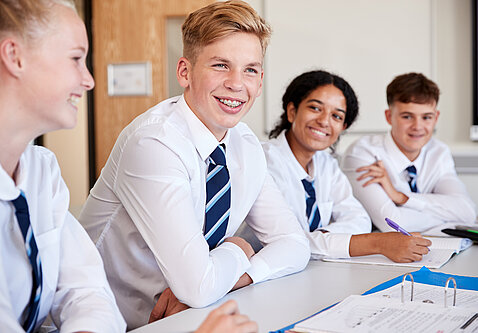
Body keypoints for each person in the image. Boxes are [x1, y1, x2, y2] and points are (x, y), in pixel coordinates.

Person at [79, 0, 310, 329]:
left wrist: (243, 273)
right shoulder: (155, 142)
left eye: (250, 69)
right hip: (114, 321)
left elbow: (295, 244)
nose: (236, 83)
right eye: (220, 65)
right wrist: (239, 247)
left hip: (189, 316)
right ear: (184, 72)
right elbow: (198, 287)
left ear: (260, 81)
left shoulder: (244, 144)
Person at [0, 0, 126, 331]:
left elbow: (87, 290)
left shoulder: (41, 171)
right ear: (15, 56)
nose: (89, 81)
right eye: (75, 59)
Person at [262, 70, 431, 263]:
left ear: (343, 128)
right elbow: (287, 242)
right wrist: (377, 243)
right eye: (315, 108)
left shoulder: (327, 165)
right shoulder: (264, 162)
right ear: (292, 112)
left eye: (336, 116)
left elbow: (359, 220)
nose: (324, 121)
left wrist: (322, 237)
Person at [341, 72, 476, 232]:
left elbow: (467, 213)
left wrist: (401, 197)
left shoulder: (438, 152)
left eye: (426, 117)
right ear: (389, 116)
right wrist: (447, 215)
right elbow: (393, 224)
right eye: (407, 116)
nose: (418, 127)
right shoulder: (363, 153)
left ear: (436, 117)